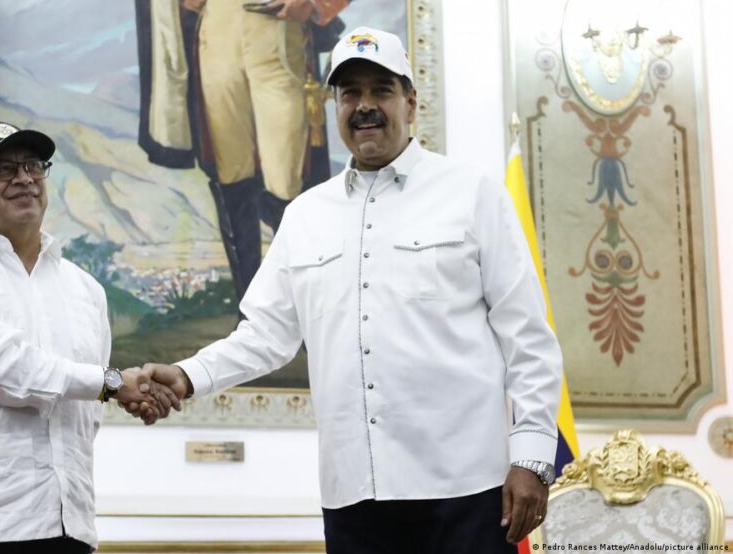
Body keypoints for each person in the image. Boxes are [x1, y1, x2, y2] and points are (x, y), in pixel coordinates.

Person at [138, 27, 564, 552]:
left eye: (381, 90)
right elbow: (265, 336)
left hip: (466, 490)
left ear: (411, 102)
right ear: (333, 107)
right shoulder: (305, 215)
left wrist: (531, 457)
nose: (365, 106)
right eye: (350, 93)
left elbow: (528, 336)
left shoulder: (473, 193)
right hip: (354, 493)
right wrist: (186, 376)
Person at [0, 122, 176, 554]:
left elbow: (87, 415)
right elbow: (4, 371)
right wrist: (113, 384)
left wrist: (126, 391)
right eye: (3, 169)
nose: (24, 178)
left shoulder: (86, 290)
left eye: (33, 166)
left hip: (70, 526)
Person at [135, 0, 363, 300]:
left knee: (288, 179)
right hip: (216, 25)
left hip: (278, 25)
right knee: (231, 174)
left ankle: (302, 306)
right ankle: (249, 309)